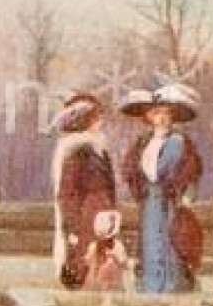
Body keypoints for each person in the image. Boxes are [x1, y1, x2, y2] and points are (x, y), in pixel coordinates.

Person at [121, 82, 203, 293]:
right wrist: (138, 183)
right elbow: (132, 168)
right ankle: (150, 287)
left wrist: (179, 191)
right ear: (149, 117)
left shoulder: (177, 141)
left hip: (169, 199)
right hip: (149, 200)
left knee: (170, 241)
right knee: (150, 242)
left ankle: (170, 286)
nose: (162, 118)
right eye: (157, 113)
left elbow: (170, 170)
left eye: (167, 113)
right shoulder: (143, 142)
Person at [50, 93, 117, 289]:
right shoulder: (76, 153)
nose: (100, 123)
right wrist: (72, 226)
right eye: (95, 119)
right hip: (85, 217)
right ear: (84, 123)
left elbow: (109, 186)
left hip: (101, 215)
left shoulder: (99, 150)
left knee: (101, 262)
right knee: (83, 261)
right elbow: (68, 194)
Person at [83, 210, 129, 292]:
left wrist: (116, 258)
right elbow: (87, 263)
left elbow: (125, 265)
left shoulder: (118, 246)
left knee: (109, 264)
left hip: (114, 285)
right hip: (98, 285)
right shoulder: (93, 247)